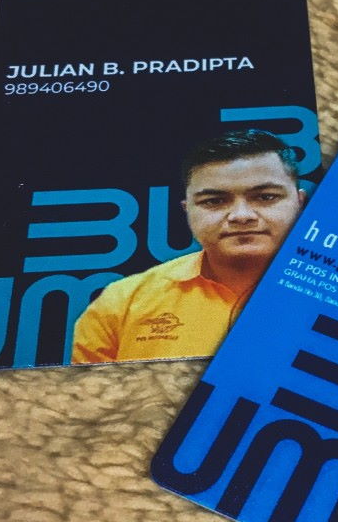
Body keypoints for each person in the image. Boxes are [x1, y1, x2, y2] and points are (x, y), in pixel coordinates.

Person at [71, 129, 305, 363]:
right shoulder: (120, 304)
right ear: (187, 211)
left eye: (265, 197)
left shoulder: (327, 289)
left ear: (301, 202)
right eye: (214, 201)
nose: (241, 216)